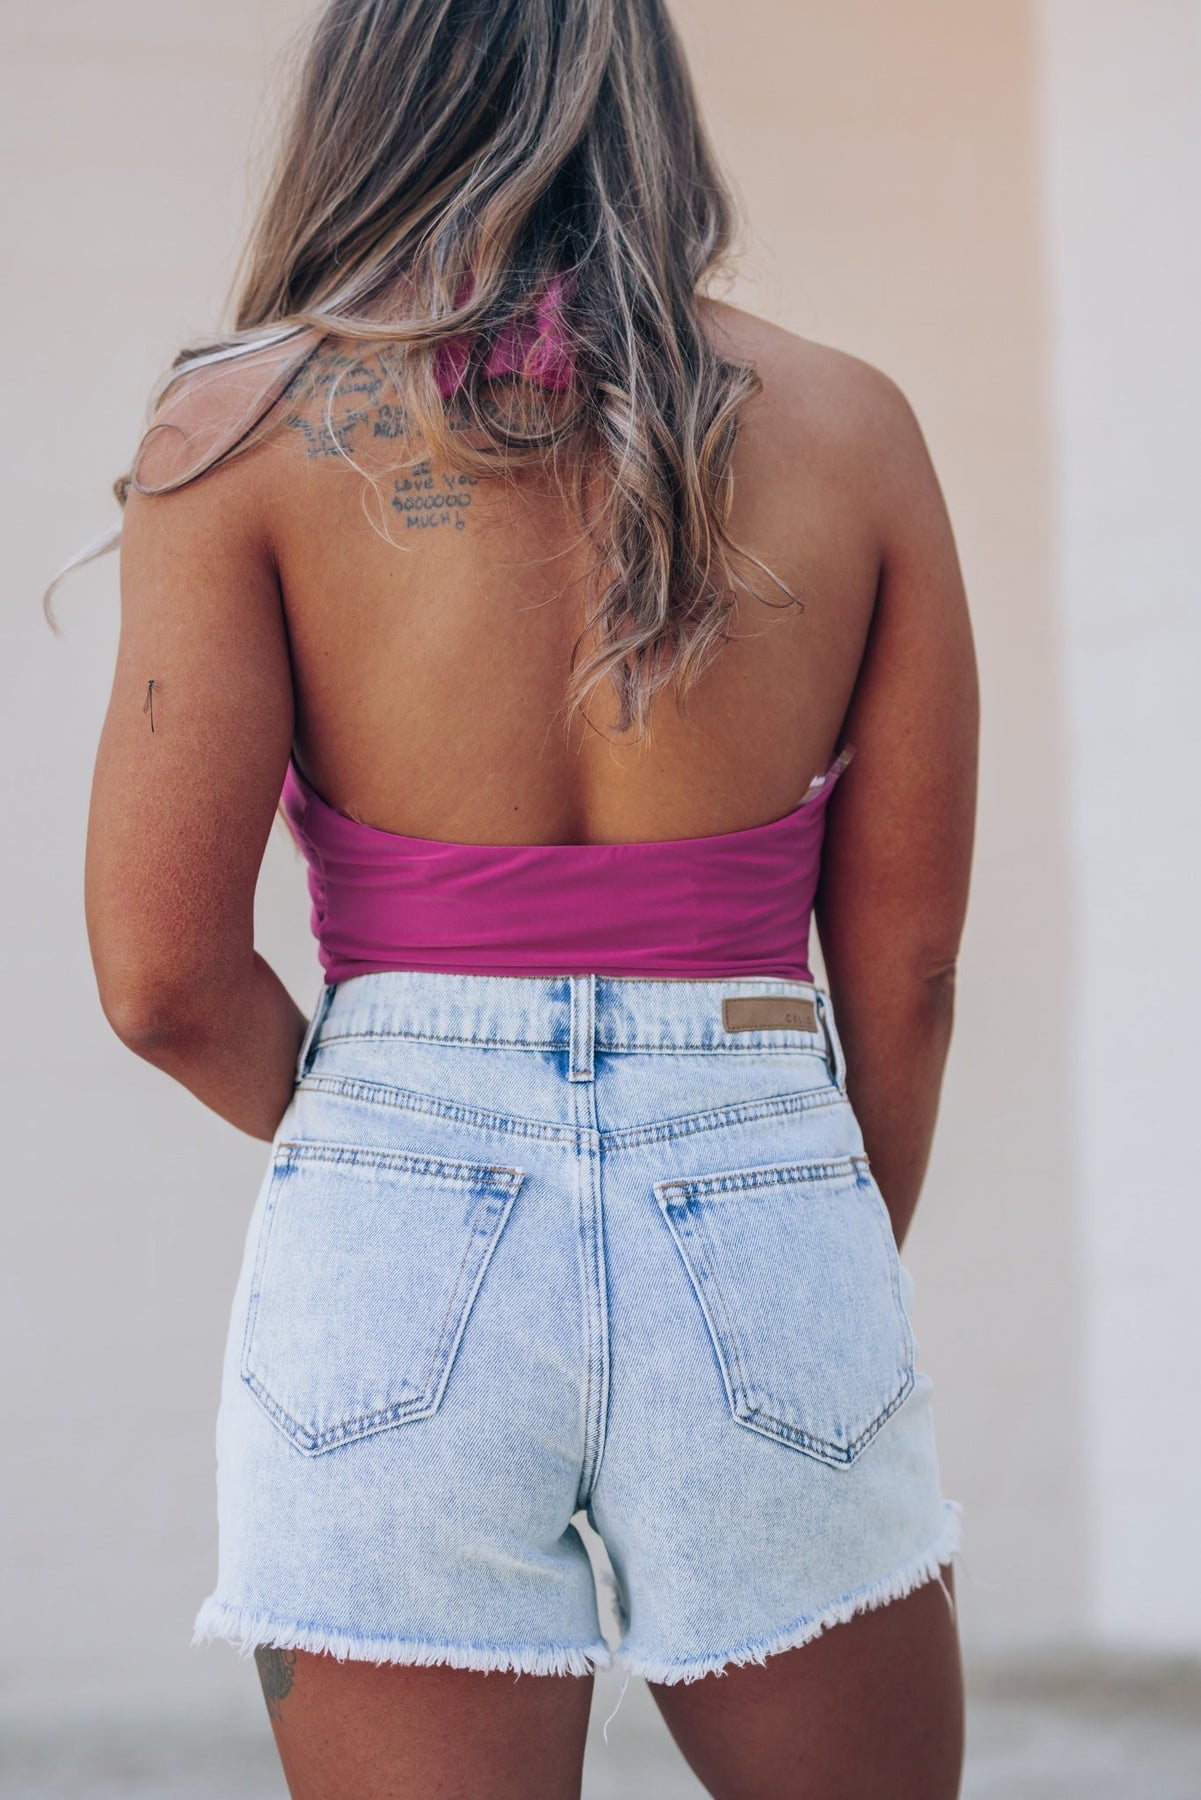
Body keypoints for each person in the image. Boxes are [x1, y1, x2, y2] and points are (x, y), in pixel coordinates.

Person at [56, 1, 978, 1793]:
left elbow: (162, 980)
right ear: (647, 101)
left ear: (365, 104)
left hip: (394, 1196)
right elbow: (911, 967)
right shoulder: (851, 427)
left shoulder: (238, 429)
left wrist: (404, 1130)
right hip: (761, 1172)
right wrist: (814, 1232)